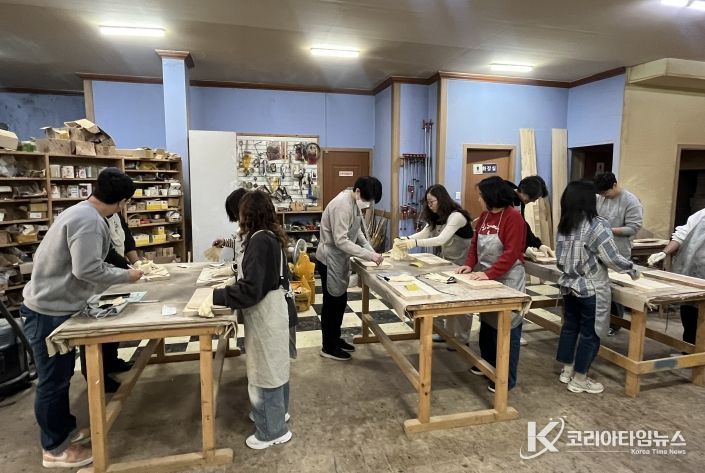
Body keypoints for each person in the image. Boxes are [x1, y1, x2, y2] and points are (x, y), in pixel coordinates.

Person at [21, 168, 143, 469]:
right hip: (48, 310)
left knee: (60, 377)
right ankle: (54, 449)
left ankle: (65, 431)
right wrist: (127, 276)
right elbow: (87, 269)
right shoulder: (89, 221)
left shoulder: (80, 212)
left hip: (56, 305)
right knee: (53, 381)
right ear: (122, 201)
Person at [199, 190, 292, 450]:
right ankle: (278, 415)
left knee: (264, 372)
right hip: (272, 312)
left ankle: (272, 431)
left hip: (265, 315)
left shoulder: (260, 240)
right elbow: (255, 278)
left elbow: (251, 289)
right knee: (275, 368)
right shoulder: (268, 234)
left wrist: (217, 296)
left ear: (248, 214)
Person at [555, 181, 639, 394]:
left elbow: (559, 258)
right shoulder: (597, 224)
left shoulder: (564, 224)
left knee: (570, 327)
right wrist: (631, 268)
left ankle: (567, 370)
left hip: (568, 285)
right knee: (591, 333)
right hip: (590, 287)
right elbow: (611, 258)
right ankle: (580, 379)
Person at [456, 176, 526, 392]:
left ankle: (506, 378)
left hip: (508, 278)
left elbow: (511, 252)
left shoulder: (513, 218)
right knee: (487, 322)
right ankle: (487, 364)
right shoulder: (485, 217)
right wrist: (469, 265)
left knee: (507, 328)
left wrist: (489, 274)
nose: (478, 199)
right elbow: (475, 244)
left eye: (481, 195)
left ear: (491, 196)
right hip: (487, 276)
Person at [394, 184, 474, 346]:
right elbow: (425, 233)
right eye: (428, 202)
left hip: (464, 264)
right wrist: (406, 239)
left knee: (463, 303)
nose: (429, 205)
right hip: (448, 263)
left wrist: (413, 243)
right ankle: (447, 334)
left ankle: (462, 339)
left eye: (432, 202)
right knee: (448, 299)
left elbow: (440, 239)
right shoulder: (437, 216)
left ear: (442, 199)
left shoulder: (456, 216)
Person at [316, 176, 384, 361]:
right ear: (358, 191)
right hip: (330, 258)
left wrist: (371, 251)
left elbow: (357, 231)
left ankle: (335, 339)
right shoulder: (342, 205)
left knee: (340, 301)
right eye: (367, 199)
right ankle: (328, 346)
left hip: (340, 258)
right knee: (332, 303)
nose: (368, 203)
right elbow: (341, 240)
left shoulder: (353, 202)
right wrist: (368, 255)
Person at [78, 212, 139, 393]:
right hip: (99, 279)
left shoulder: (116, 215)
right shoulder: (94, 219)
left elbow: (128, 240)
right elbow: (107, 253)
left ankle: (112, 362)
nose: (122, 205)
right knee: (95, 328)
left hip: (115, 275)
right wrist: (127, 268)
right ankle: (97, 377)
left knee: (113, 319)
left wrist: (137, 263)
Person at [594, 172, 643, 336]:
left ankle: (615, 324)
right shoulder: (600, 198)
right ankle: (600, 320)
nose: (604, 196)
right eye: (601, 193)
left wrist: (608, 230)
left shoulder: (631, 201)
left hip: (618, 251)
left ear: (614, 185)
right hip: (598, 250)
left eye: (606, 192)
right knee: (602, 288)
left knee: (616, 290)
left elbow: (633, 227)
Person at [648, 208, 705, 345]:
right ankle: (689, 347)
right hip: (692, 271)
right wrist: (664, 252)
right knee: (689, 310)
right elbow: (681, 235)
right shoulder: (701, 215)